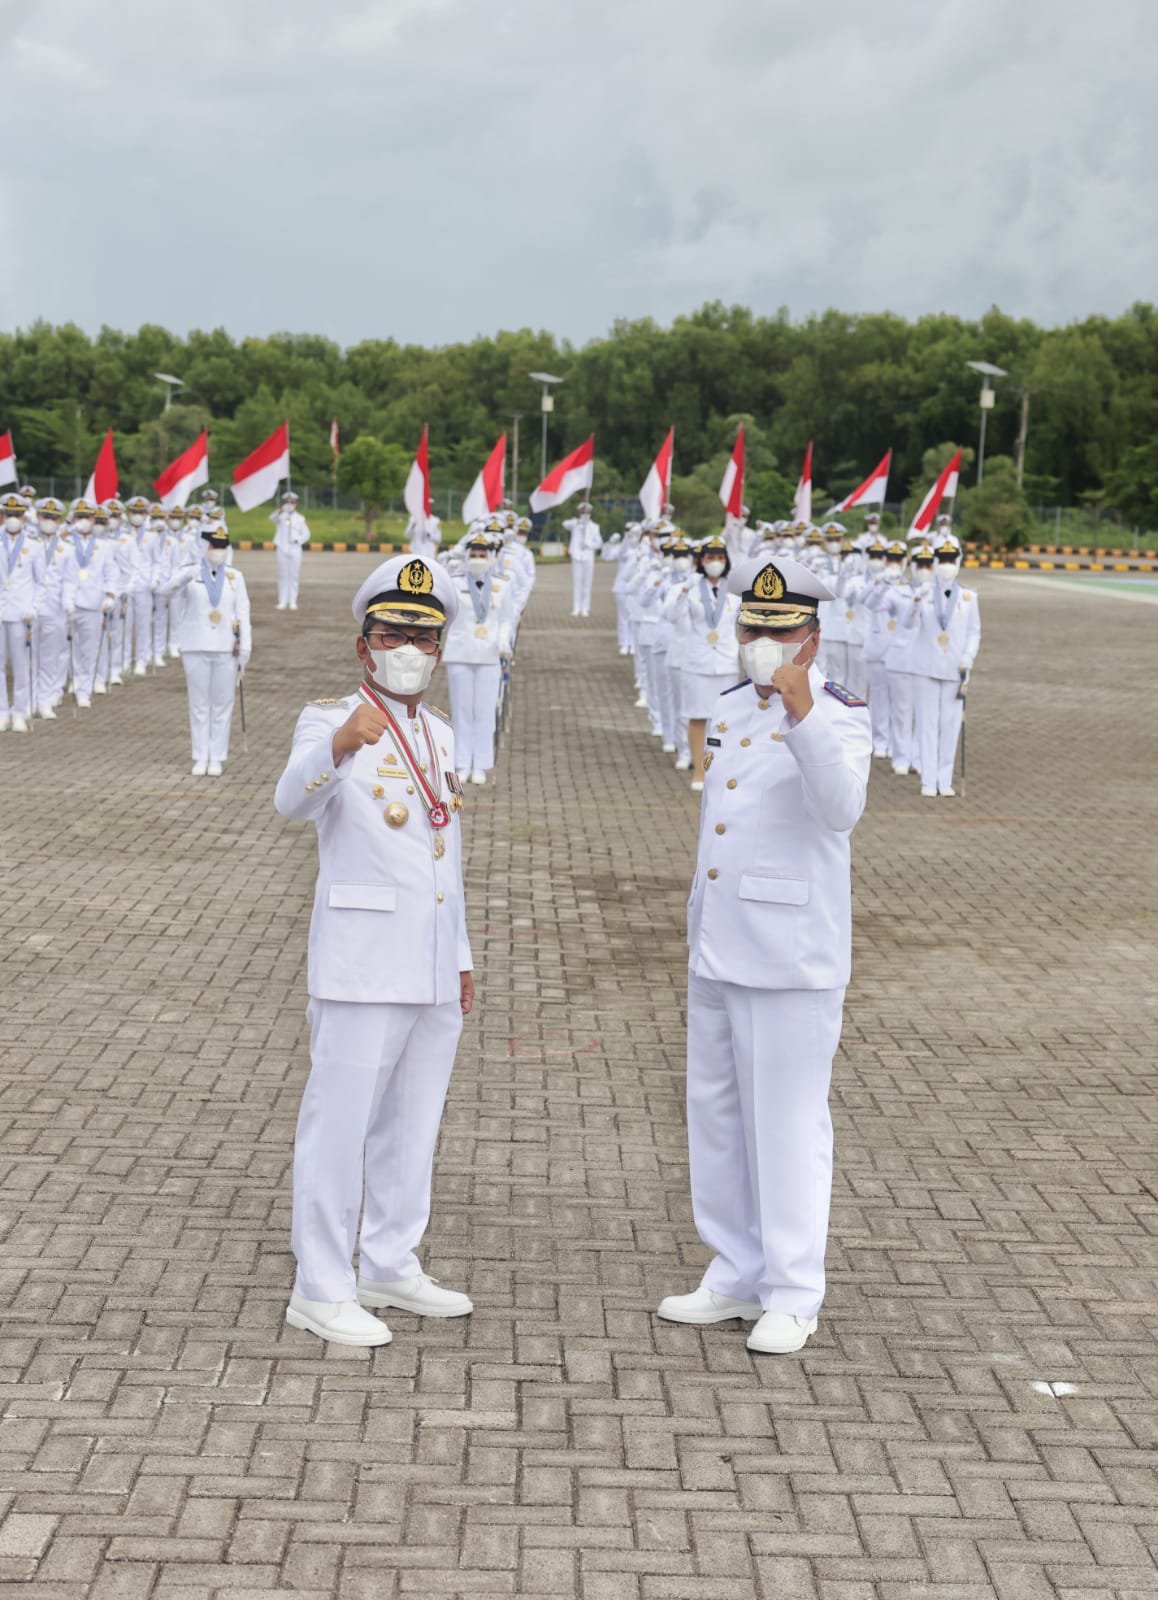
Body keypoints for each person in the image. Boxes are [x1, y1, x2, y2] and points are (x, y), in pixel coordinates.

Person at [658, 552, 871, 1354]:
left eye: (779, 631)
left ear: (810, 641)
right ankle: (735, 1270)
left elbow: (841, 808)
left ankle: (792, 1289)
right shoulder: (728, 706)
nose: (761, 641)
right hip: (718, 944)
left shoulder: (838, 712)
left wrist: (802, 711)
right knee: (715, 1116)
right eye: (752, 626)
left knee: (784, 1122)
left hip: (789, 956)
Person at [274, 553, 474, 1348]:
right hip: (360, 962)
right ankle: (319, 1286)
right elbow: (290, 802)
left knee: (411, 1122)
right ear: (365, 645)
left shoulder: (442, 733)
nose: (409, 650)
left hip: (428, 961)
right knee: (340, 1124)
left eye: (424, 638)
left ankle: (390, 1259)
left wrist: (459, 955)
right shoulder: (330, 719)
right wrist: (339, 750)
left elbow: (444, 856)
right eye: (393, 633)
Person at [167, 521, 251, 776]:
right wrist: (180, 579)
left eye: (223, 546)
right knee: (199, 704)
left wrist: (245, 649)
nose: (219, 550)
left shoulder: (235, 577)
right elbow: (165, 594)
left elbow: (244, 614)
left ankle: (217, 756)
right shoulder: (189, 573)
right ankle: (200, 754)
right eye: (214, 546)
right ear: (204, 546)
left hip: (226, 647)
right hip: (195, 645)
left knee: (222, 704)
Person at [441, 530, 515, 785]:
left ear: (491, 556)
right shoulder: (454, 581)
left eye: (482, 554)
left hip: (489, 653)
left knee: (483, 711)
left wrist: (504, 641)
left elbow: (507, 619)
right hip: (460, 652)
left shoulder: (503, 584)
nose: (478, 557)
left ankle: (481, 764)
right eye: (473, 553)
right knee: (461, 710)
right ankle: (461, 762)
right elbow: (444, 614)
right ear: (466, 556)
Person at [909, 534, 980, 797]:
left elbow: (975, 632)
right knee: (927, 724)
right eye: (943, 560)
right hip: (925, 666)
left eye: (951, 560)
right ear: (935, 562)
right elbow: (906, 625)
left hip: (955, 668)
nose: (947, 565)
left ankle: (944, 779)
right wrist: (915, 602)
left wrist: (968, 657)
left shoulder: (970, 597)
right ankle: (928, 780)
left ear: (958, 562)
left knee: (950, 726)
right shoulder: (923, 593)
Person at [668, 536, 741, 790]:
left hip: (726, 662)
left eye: (720, 558)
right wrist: (683, 594)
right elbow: (672, 617)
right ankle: (699, 770)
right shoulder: (689, 587)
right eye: (710, 558)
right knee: (698, 716)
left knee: (724, 720)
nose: (715, 563)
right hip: (698, 660)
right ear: (701, 561)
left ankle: (721, 769)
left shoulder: (734, 590)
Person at [0, 492, 45, 732]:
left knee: (20, 664)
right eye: (9, 514)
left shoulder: (34, 546)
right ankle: (1, 711)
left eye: (17, 514)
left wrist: (33, 607)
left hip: (21, 612)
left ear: (24, 517)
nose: (13, 518)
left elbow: (41, 582)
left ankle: (19, 711)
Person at [563, 500, 603, 617]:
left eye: (587, 513)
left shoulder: (595, 527)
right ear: (580, 513)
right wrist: (578, 522)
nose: (585, 515)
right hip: (577, 556)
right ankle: (576, 607)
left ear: (590, 514)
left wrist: (589, 544)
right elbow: (564, 524)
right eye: (583, 513)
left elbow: (599, 543)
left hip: (588, 556)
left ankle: (585, 608)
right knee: (577, 582)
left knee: (587, 583)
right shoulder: (575, 524)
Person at [271, 490, 310, 610]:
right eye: (287, 502)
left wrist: (298, 540)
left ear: (296, 503)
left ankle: (293, 601)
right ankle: (282, 601)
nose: (290, 504)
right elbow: (271, 518)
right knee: (282, 575)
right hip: (282, 548)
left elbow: (306, 534)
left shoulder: (300, 518)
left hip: (295, 549)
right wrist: (281, 510)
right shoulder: (280, 516)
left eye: (292, 502)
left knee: (294, 576)